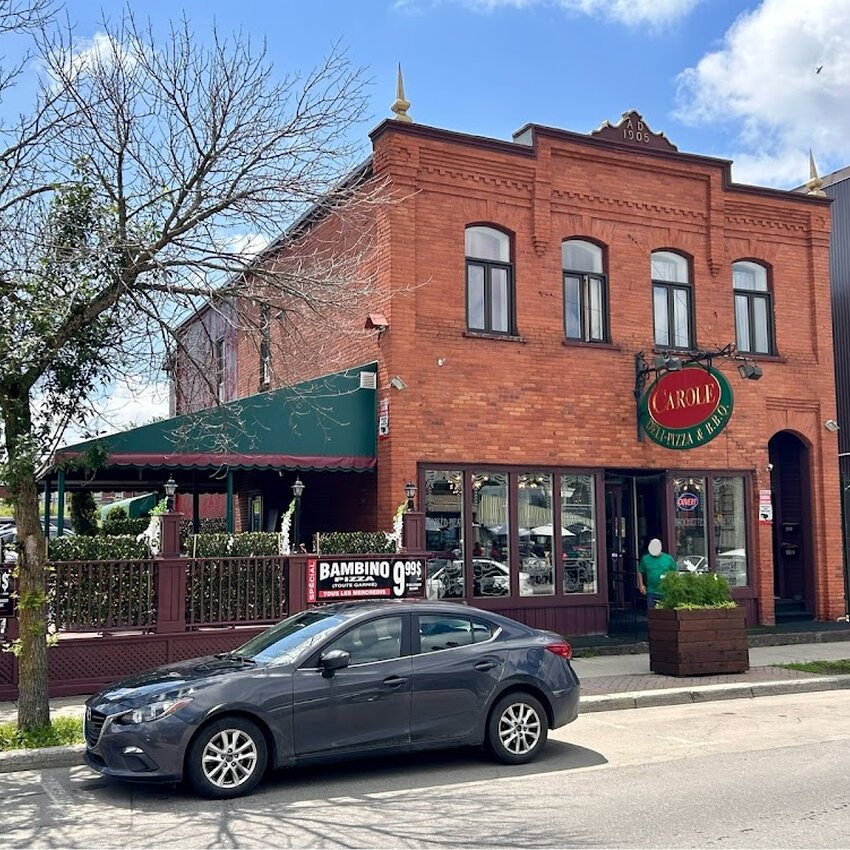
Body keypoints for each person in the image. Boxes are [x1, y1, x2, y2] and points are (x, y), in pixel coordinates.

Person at [638, 538, 677, 609]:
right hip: (651, 591)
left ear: (660, 547)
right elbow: (640, 571)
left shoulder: (669, 559)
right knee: (652, 612)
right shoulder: (645, 559)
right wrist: (641, 585)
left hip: (666, 591)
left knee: (666, 612)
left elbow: (675, 573)